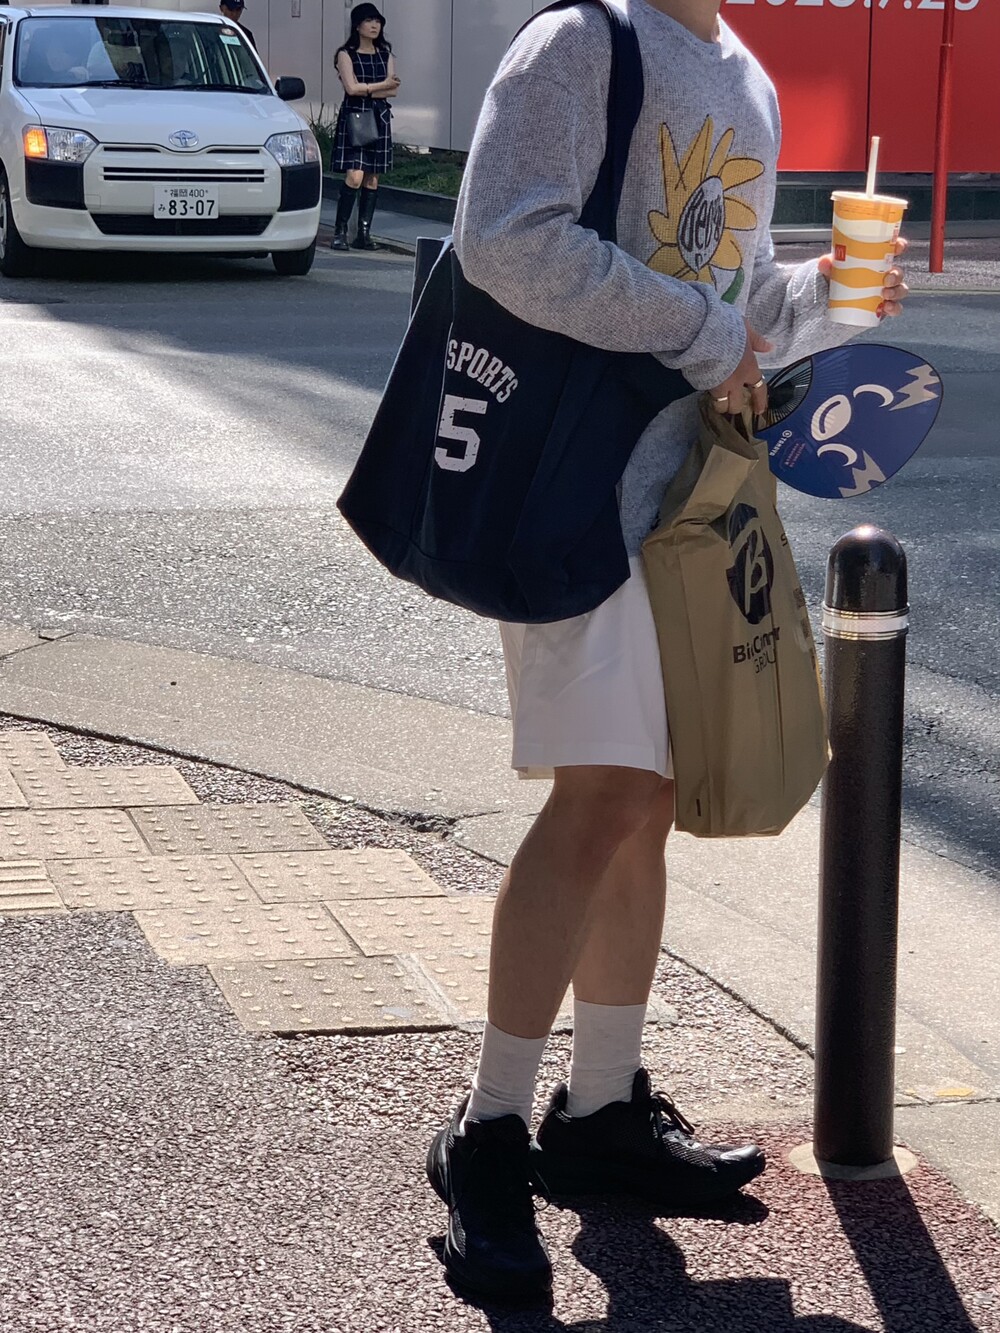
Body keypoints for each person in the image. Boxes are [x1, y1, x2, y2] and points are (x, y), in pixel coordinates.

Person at [424, 0, 910, 1307]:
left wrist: (822, 296)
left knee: (642, 804)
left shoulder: (743, 79)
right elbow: (505, 239)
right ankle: (487, 1130)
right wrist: (706, 332)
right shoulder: (584, 44)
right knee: (600, 798)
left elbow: (733, 302)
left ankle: (598, 1109)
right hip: (569, 497)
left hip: (685, 509)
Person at [329, 4, 399, 252]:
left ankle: (364, 234)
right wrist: (379, 87)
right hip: (356, 117)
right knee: (355, 175)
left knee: (372, 178)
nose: (374, 26)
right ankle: (339, 232)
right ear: (357, 25)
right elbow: (351, 88)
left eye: (377, 21)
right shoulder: (345, 54)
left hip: (379, 117)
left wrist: (366, 88)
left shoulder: (385, 54)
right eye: (369, 21)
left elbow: (393, 90)